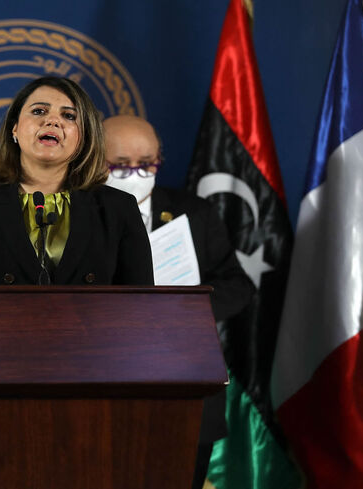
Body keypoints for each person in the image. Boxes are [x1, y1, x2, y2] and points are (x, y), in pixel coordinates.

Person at [102, 114, 254, 489]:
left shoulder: (193, 213)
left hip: (185, 394)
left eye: (146, 163)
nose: (135, 173)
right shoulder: (70, 215)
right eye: (121, 165)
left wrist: (185, 308)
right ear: (92, 161)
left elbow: (237, 285)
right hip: (102, 396)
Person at [0, 76, 153, 286]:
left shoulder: (119, 209)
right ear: (15, 128)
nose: (52, 121)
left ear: (83, 136)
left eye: (69, 116)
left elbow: (139, 310)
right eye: (39, 111)